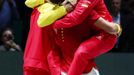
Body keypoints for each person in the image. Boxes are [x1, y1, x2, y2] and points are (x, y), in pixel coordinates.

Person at [24, 0, 121, 75]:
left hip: (84, 66)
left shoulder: (83, 9)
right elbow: (38, 17)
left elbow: (82, 17)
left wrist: (114, 28)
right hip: (54, 63)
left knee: (81, 52)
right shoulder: (49, 9)